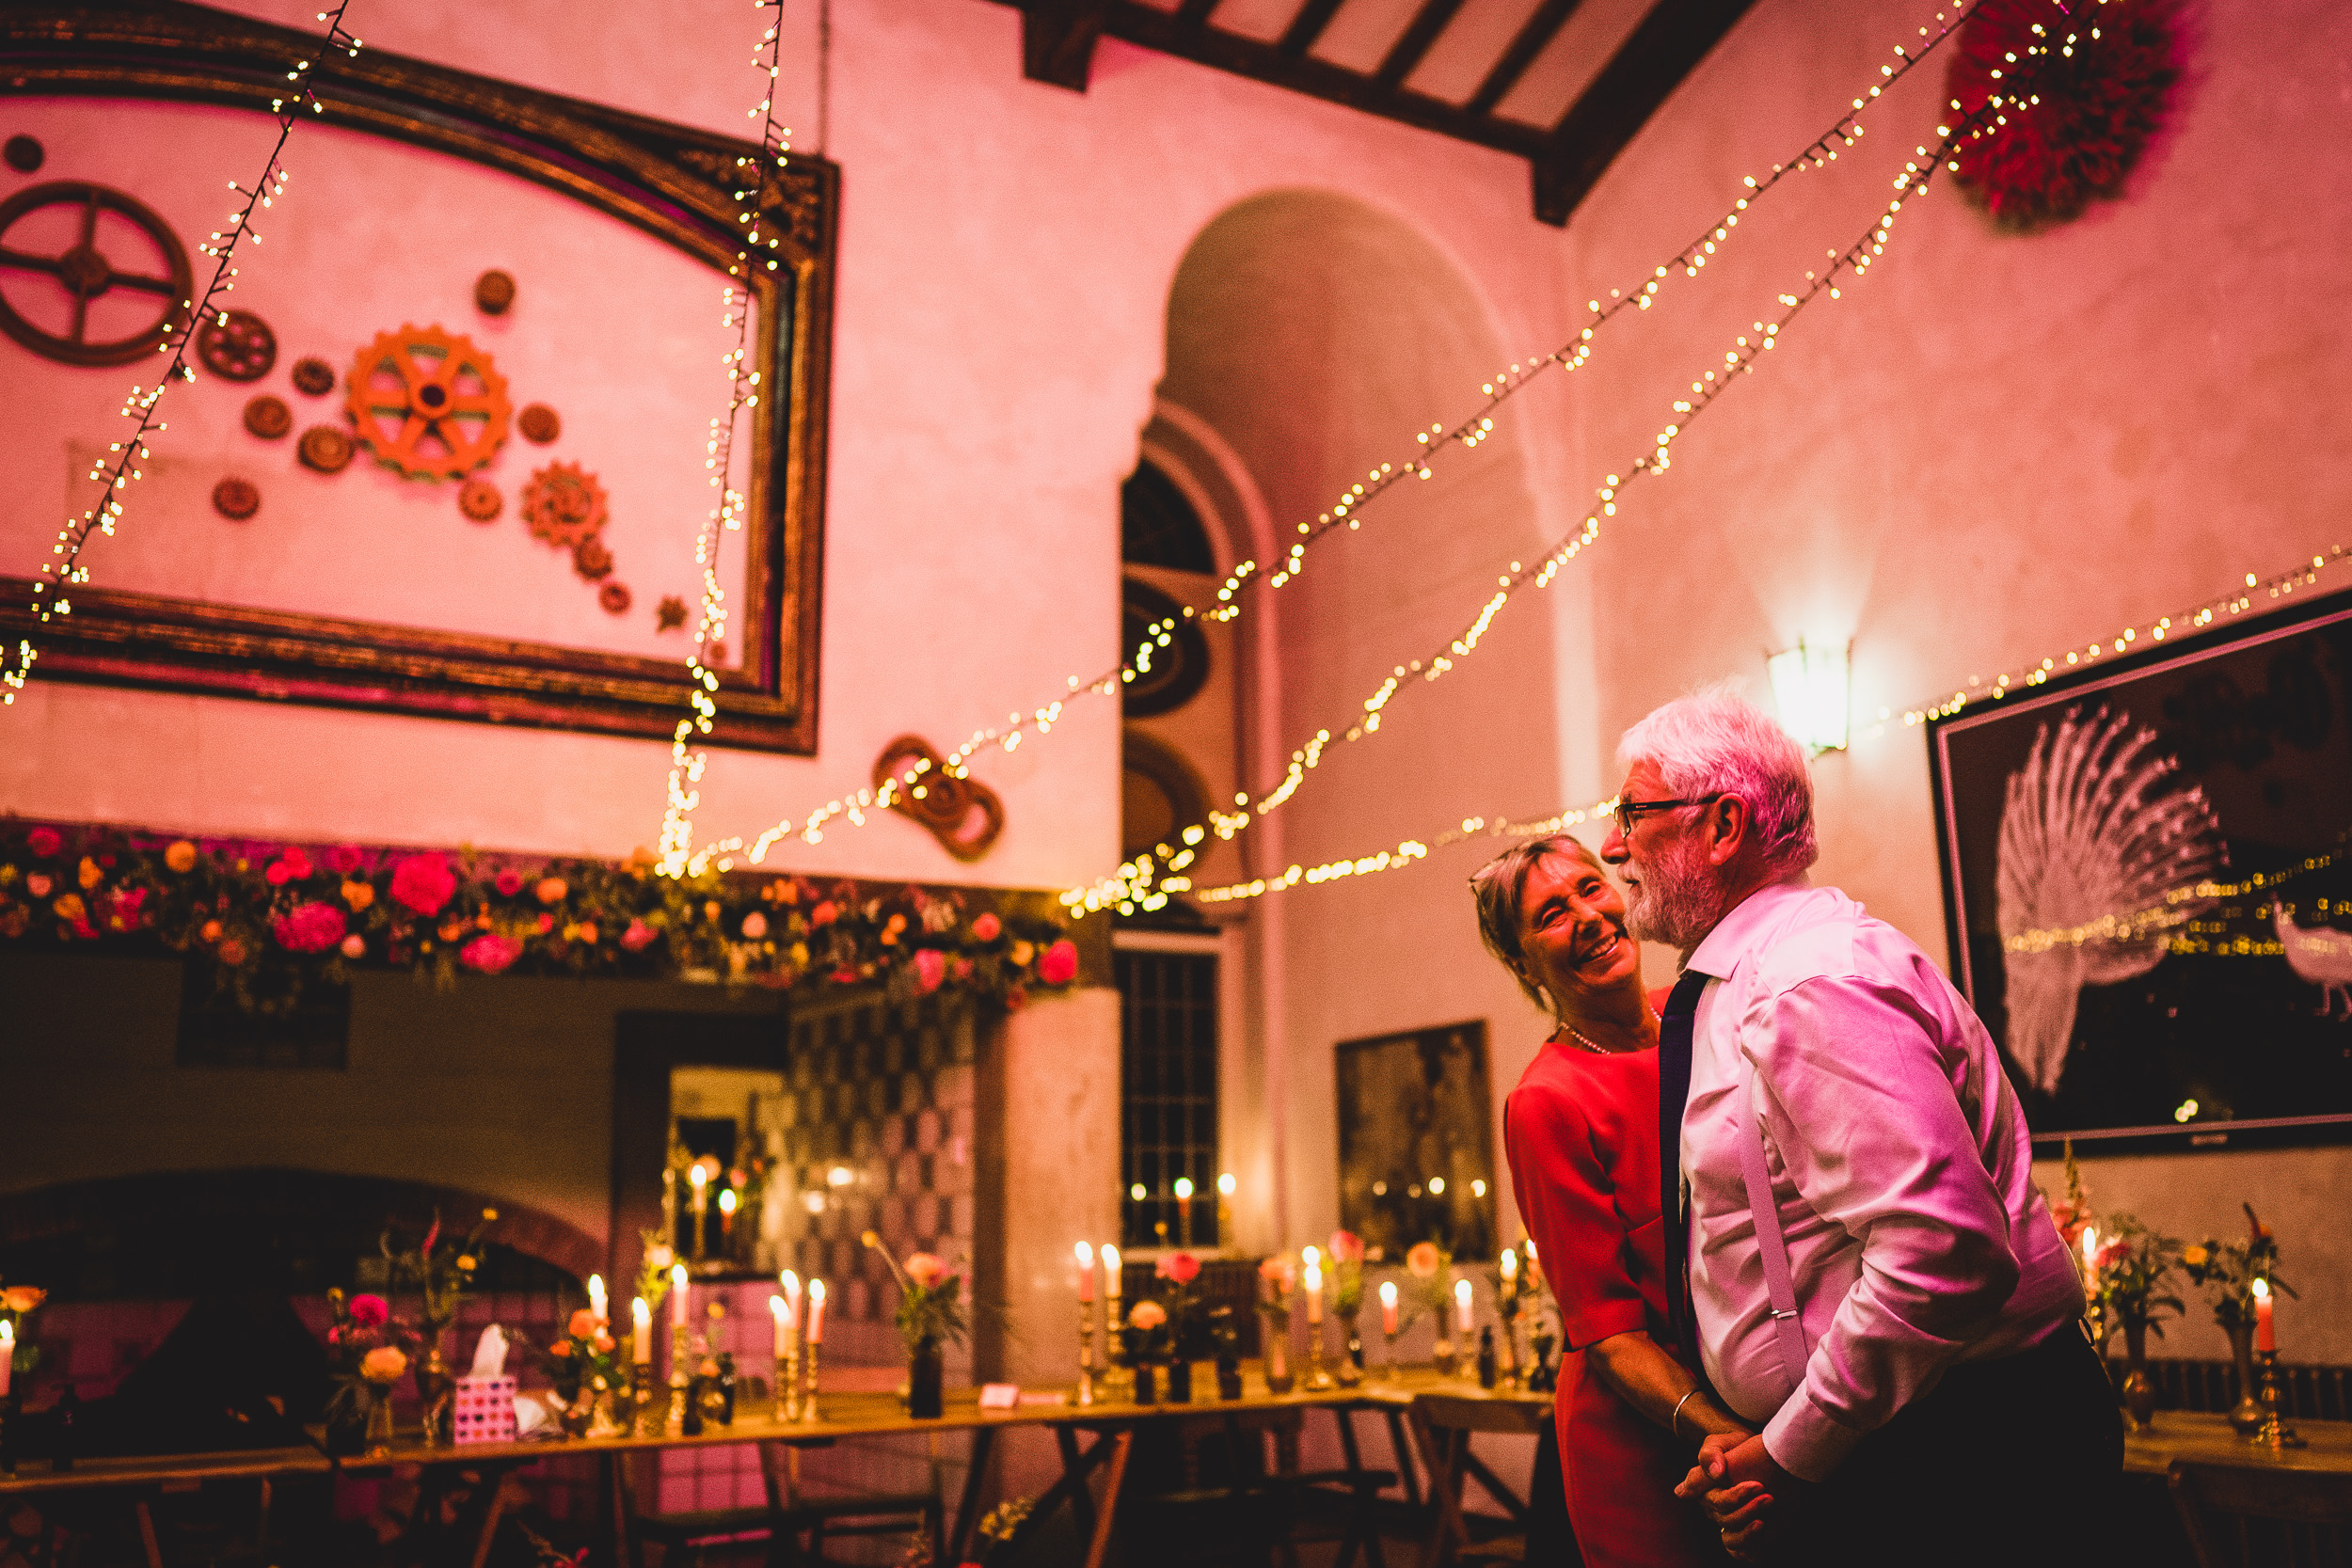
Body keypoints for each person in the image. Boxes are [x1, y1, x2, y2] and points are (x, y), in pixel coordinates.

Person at [1597, 688, 2118, 1566]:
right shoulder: (1750, 979)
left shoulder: (1808, 982)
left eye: (1634, 813)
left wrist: (1792, 1450)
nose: (1614, 845)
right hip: (1899, 1440)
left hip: (1964, 1454)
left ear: (1723, 827)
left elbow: (1943, 1250)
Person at [1475, 834, 1755, 1567]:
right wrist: (1720, 1428)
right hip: (1645, 1441)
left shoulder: (1699, 1018)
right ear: (1521, 960)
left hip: (1751, 1404)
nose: (1588, 916)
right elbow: (1606, 1333)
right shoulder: (1546, 1102)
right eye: (1550, 914)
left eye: (1590, 888)